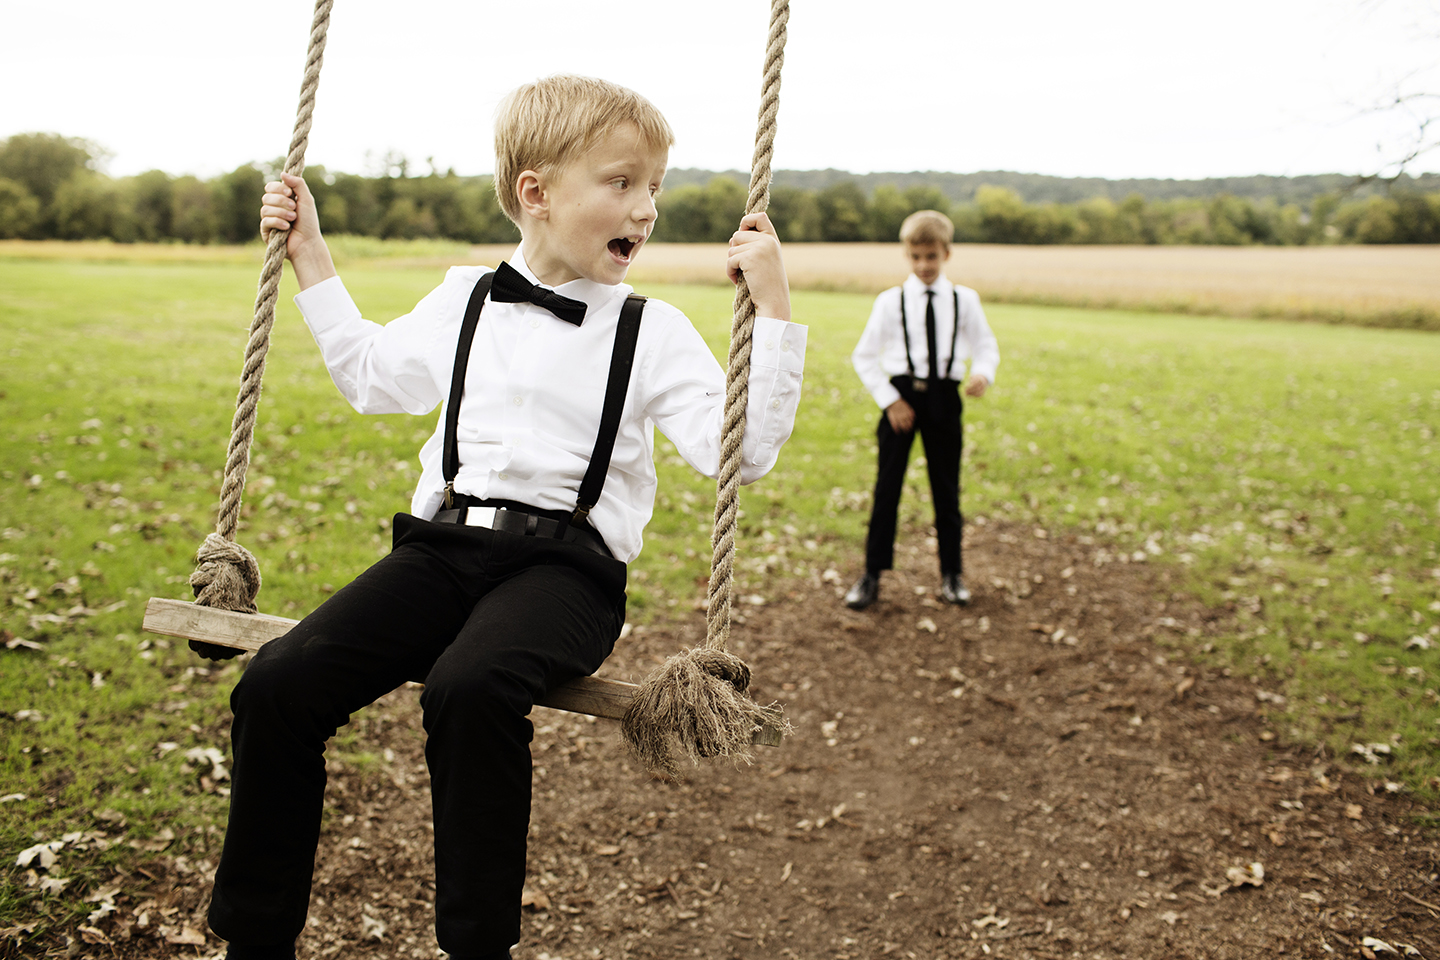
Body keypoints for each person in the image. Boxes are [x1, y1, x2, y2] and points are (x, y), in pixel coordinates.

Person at [205, 75, 806, 960]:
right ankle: (256, 938)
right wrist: (311, 255)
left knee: (472, 687)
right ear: (537, 192)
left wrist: (777, 307)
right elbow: (372, 377)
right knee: (278, 684)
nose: (646, 209)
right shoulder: (464, 299)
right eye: (623, 182)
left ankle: (476, 946)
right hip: (440, 550)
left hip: (567, 574)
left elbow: (738, 456)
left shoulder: (655, 331)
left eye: (655, 189)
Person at [844, 209, 998, 610]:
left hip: (945, 399)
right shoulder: (890, 302)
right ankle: (871, 576)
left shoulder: (965, 300)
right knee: (887, 489)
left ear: (946, 253)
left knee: (946, 490)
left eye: (931, 256)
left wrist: (983, 372)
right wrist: (890, 401)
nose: (924, 265)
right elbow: (864, 357)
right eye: (915, 257)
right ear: (906, 255)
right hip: (900, 398)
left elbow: (985, 346)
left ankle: (952, 574)